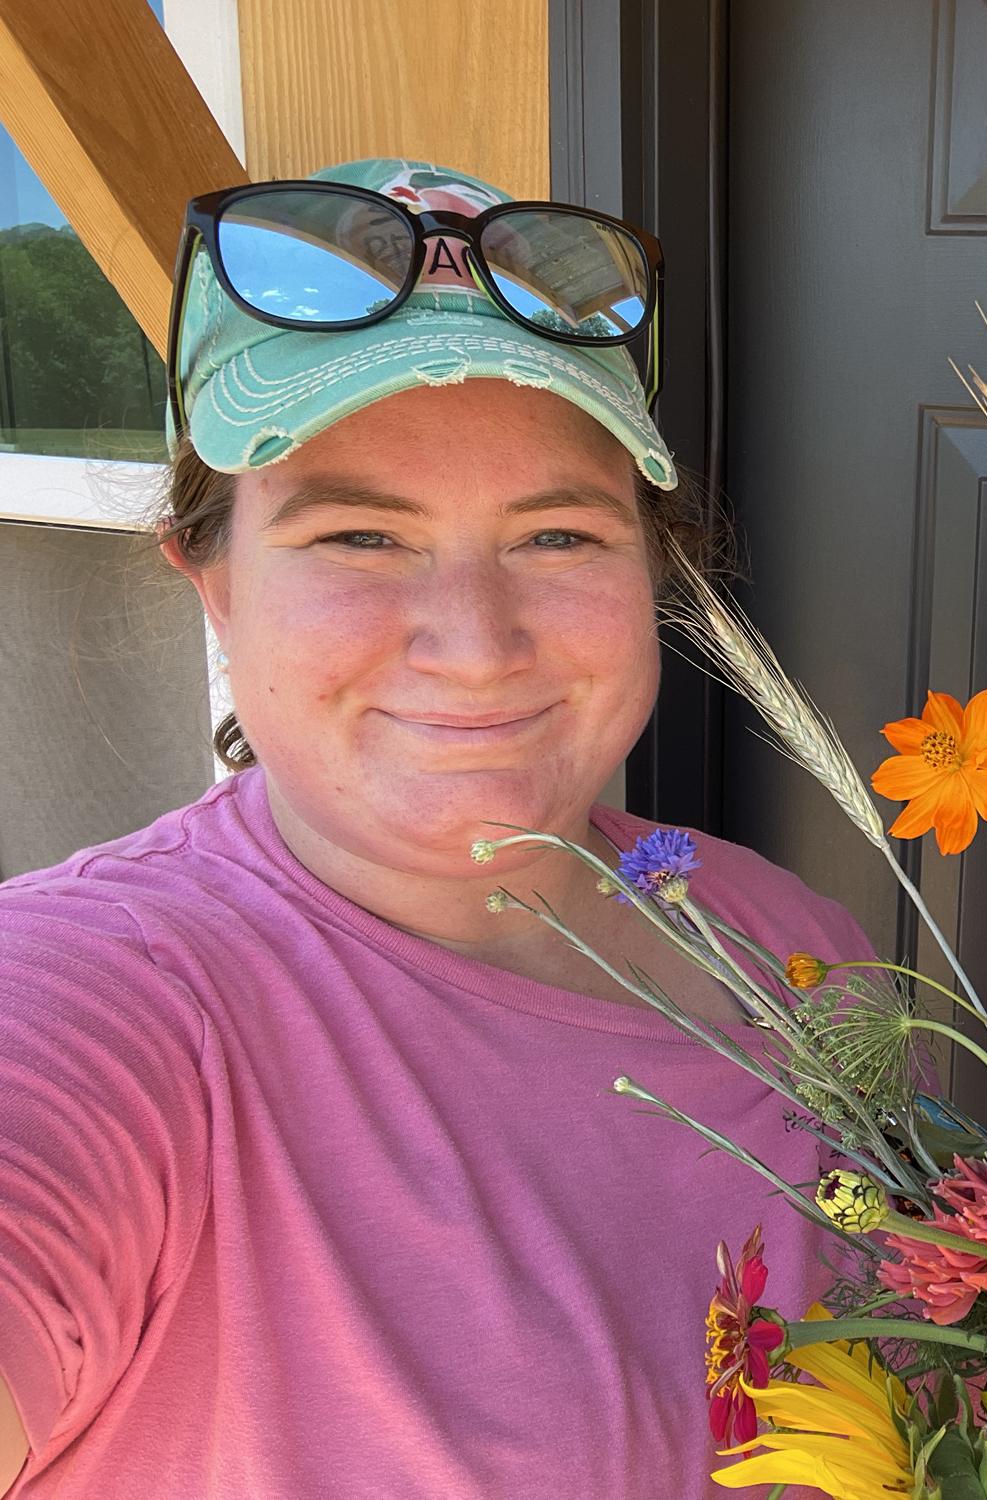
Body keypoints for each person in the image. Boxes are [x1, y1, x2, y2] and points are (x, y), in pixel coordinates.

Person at [0, 158, 870, 1496]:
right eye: (360, 536)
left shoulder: (807, 950)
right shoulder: (110, 999)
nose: (475, 645)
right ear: (214, 581)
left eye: (559, 538)